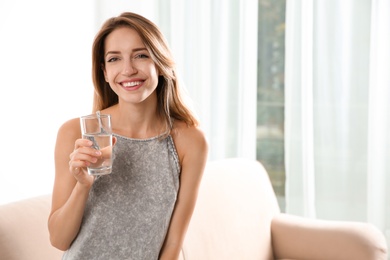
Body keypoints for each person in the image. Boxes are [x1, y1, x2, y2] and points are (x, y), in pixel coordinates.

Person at [48, 12, 208, 260]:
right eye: (114, 59)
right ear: (104, 71)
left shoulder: (189, 141)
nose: (128, 69)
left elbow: (173, 245)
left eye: (141, 55)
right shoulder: (75, 133)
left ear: (160, 62)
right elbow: (59, 239)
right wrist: (83, 185)